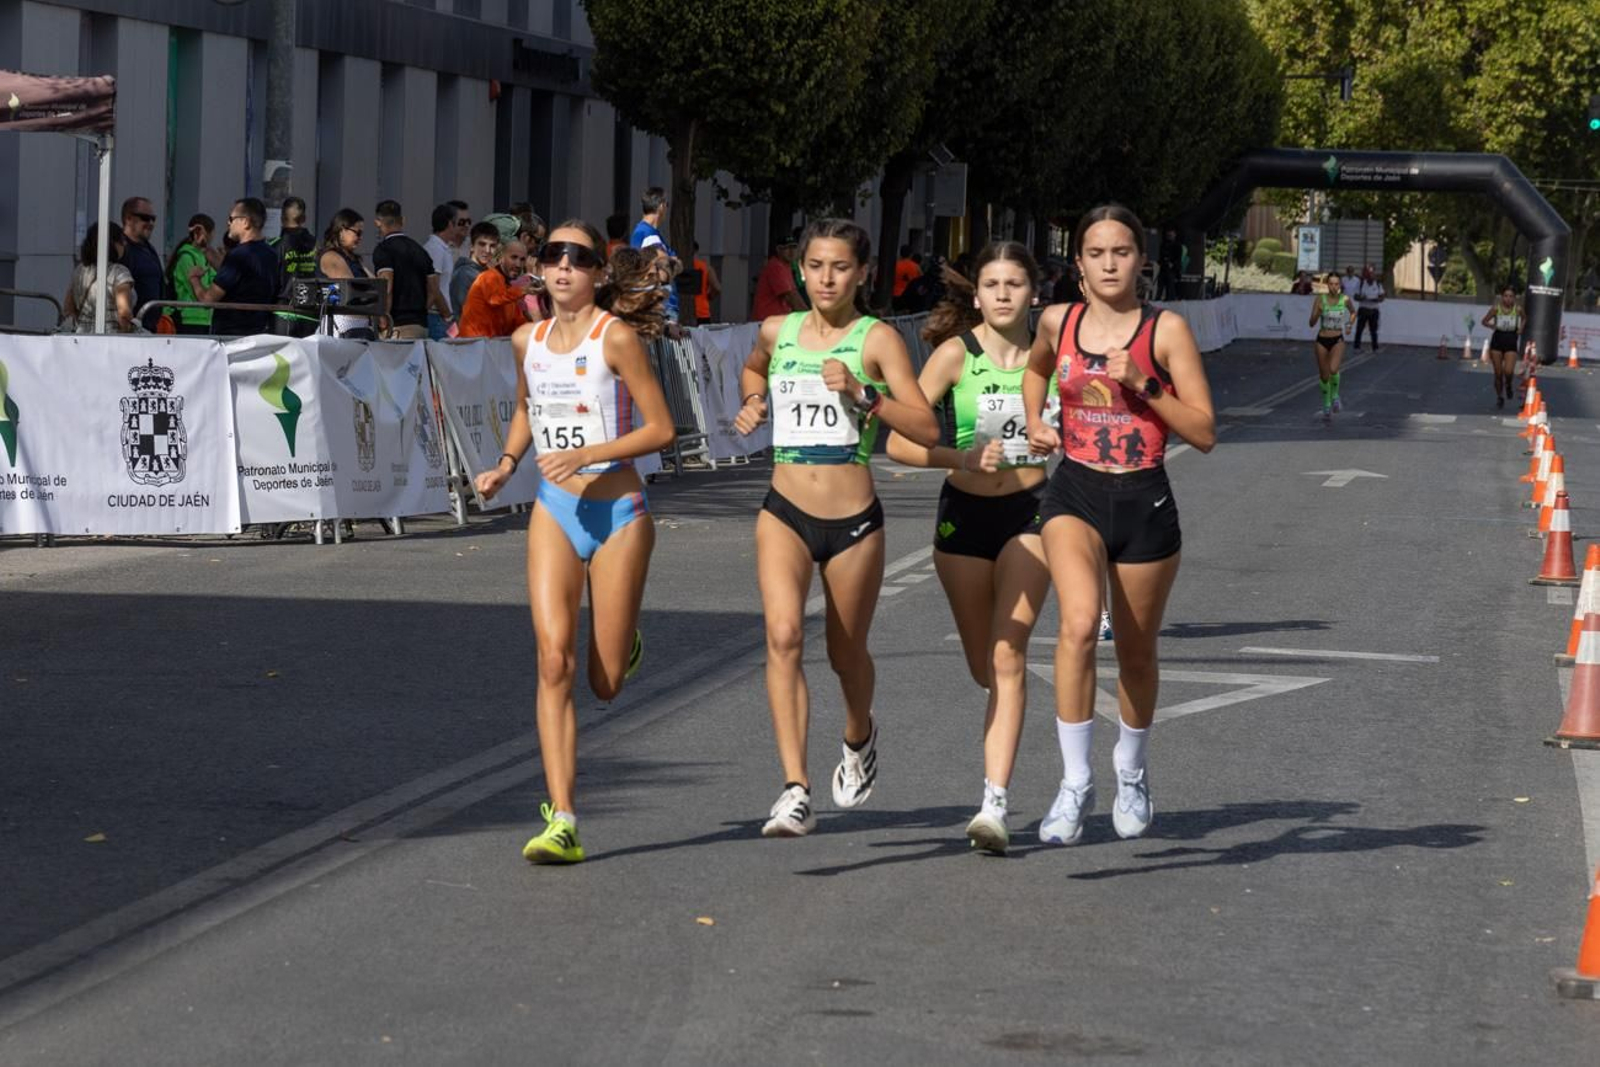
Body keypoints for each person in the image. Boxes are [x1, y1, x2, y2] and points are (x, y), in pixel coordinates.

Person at [472, 222, 676, 864]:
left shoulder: (614, 337)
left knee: (605, 682)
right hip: (555, 510)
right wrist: (507, 465)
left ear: (596, 272)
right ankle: (563, 818)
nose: (563, 266)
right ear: (540, 268)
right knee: (552, 659)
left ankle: (624, 642)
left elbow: (662, 428)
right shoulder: (524, 339)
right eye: (552, 256)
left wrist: (590, 452)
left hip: (617, 508)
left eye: (577, 258)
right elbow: (529, 409)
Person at [733, 218, 939, 838]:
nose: (826, 278)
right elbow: (753, 367)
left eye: (840, 267)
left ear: (863, 273)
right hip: (785, 508)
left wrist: (865, 394)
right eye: (816, 266)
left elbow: (925, 427)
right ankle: (795, 788)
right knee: (783, 635)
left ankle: (859, 733)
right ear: (800, 269)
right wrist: (754, 400)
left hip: (853, 519)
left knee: (844, 653)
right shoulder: (778, 329)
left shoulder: (876, 340)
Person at [1021, 203, 1216, 847]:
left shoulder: (1166, 332)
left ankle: (1130, 771)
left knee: (1136, 653)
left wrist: (1148, 385)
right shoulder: (1058, 320)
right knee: (1077, 625)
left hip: (1144, 503)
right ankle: (1075, 784)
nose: (1109, 263)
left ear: (1141, 261)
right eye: (1097, 253)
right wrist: (1036, 422)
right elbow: (1036, 368)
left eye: (1122, 252)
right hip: (1074, 492)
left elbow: (1205, 432)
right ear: (1078, 264)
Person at [885, 243, 1056, 854]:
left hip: (1032, 512)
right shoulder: (955, 355)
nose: (1004, 293)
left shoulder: (1053, 356)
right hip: (964, 515)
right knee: (983, 665)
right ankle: (997, 748)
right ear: (976, 294)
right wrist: (957, 456)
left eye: (1015, 283)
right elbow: (899, 445)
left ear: (1034, 292)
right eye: (993, 283)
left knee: (1010, 653)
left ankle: (994, 804)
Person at [198, 198, 279, 336]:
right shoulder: (271, 254)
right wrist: (211, 256)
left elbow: (208, 300)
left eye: (231, 218)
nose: (228, 223)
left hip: (230, 335)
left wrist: (194, 280)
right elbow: (242, 279)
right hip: (259, 333)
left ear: (245, 222)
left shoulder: (238, 255)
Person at [372, 199, 451, 339]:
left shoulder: (383, 250)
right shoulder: (420, 251)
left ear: (378, 222)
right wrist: (419, 312)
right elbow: (434, 290)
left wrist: (383, 319)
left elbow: (387, 287)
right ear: (402, 220)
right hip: (421, 326)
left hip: (397, 328)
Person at [62, 222, 136, 333]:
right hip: (111, 338)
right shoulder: (119, 272)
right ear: (112, 243)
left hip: (82, 337)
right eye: (121, 240)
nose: (124, 244)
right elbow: (124, 313)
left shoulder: (80, 270)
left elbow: (68, 308)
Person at [317, 208, 377, 340]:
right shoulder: (331, 256)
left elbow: (376, 284)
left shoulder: (354, 259)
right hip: (343, 322)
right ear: (342, 230)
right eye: (357, 233)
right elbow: (351, 287)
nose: (360, 238)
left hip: (361, 322)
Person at [459, 239, 534, 338]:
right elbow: (494, 299)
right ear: (502, 258)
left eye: (522, 259)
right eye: (514, 257)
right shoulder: (489, 276)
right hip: (474, 344)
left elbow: (517, 321)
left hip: (490, 344)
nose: (518, 264)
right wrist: (523, 289)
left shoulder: (510, 287)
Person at [270, 196, 320, 337]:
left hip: (283, 312)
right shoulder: (317, 245)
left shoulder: (276, 245)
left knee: (283, 357)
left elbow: (270, 280)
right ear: (304, 218)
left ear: (281, 218)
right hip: (310, 311)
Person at [1306, 271, 1353, 420]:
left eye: (1336, 284)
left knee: (1334, 369)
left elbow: (1353, 312)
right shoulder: (1320, 300)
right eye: (1331, 284)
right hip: (1322, 340)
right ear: (1327, 285)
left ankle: (1335, 396)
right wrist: (1317, 313)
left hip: (1337, 339)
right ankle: (1326, 404)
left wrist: (1349, 324)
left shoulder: (1345, 299)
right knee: (1324, 376)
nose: (1334, 287)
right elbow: (1311, 323)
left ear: (1340, 285)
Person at [629, 187, 679, 325]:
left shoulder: (643, 232)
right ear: (661, 206)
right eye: (667, 205)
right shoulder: (649, 235)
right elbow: (663, 272)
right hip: (663, 307)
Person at [165, 213, 222, 335]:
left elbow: (216, 280)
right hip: (188, 318)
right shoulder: (186, 257)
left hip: (206, 318)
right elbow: (194, 291)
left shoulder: (205, 256)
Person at [425, 202, 472, 338]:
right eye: (458, 223)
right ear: (450, 224)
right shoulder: (435, 249)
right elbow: (434, 288)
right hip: (438, 316)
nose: (460, 227)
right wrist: (447, 316)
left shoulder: (441, 248)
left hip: (443, 317)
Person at [117, 196, 164, 331]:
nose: (150, 223)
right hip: (131, 328)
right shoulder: (121, 248)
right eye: (145, 218)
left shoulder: (148, 248)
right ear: (128, 218)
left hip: (149, 327)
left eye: (153, 219)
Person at [1482, 286, 1524, 409]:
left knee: (1509, 371)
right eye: (1506, 296)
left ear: (1514, 298)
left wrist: (1521, 328)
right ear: (1502, 297)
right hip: (1497, 342)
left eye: (1511, 296)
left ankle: (1509, 385)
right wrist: (1493, 326)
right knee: (1498, 374)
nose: (1508, 298)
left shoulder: (1518, 309)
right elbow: (1484, 321)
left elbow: (1525, 319)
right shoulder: (1496, 309)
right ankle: (1500, 396)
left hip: (1511, 341)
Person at [451, 221, 502, 313]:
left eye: (492, 246)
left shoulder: (488, 272)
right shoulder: (464, 274)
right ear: (472, 246)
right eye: (482, 244)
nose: (487, 250)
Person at [751, 236, 804, 320]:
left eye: (794, 247)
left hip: (776, 321)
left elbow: (794, 293)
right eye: (787, 248)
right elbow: (791, 297)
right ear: (779, 250)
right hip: (766, 321)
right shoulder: (776, 267)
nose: (792, 252)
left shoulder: (786, 266)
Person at [1352, 264, 1385, 351]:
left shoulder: (1378, 284)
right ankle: (1356, 347)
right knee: (1359, 329)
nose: (1371, 276)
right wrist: (1361, 298)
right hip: (1363, 309)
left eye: (1372, 274)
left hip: (1374, 310)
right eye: (1369, 275)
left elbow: (1382, 297)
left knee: (1373, 330)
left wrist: (1377, 299)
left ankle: (1375, 347)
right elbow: (1355, 296)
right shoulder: (1361, 283)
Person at [691, 242, 722, 324]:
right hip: (702, 312)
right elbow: (717, 288)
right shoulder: (706, 268)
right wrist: (710, 296)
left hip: (681, 312)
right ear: (696, 251)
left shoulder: (678, 267)